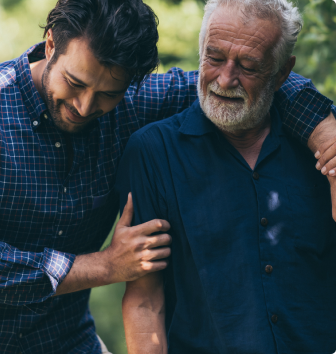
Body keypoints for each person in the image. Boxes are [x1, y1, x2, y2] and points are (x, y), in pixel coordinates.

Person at [0, 0, 335, 353]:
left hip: (62, 343)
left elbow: (250, 82)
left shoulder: (133, 101)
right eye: (75, 83)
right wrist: (105, 265)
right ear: (50, 44)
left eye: (107, 94)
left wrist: (327, 139)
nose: (86, 107)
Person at [117, 0, 336, 353]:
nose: (225, 79)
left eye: (248, 66)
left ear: (282, 73)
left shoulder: (323, 141)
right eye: (214, 58)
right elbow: (145, 300)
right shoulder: (153, 151)